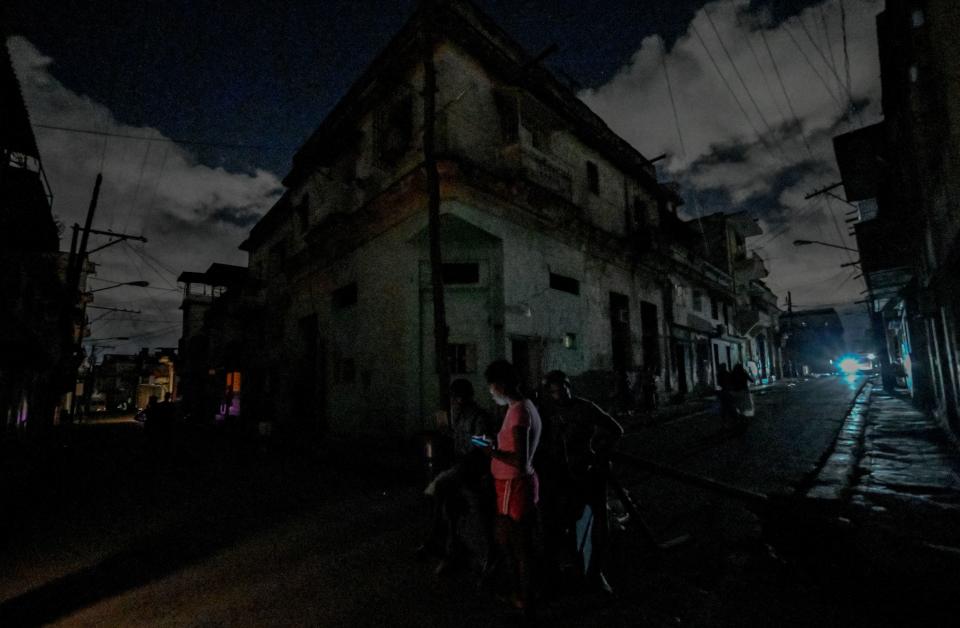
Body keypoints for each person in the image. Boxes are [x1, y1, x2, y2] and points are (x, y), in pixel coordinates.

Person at [537, 370, 624, 597]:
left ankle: (595, 573)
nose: (561, 393)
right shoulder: (546, 412)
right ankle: (571, 568)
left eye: (564, 387)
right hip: (560, 476)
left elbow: (615, 429)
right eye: (555, 390)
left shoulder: (584, 407)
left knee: (599, 525)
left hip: (587, 472)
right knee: (562, 524)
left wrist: (600, 453)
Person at [476, 359, 542, 617]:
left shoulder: (518, 412)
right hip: (516, 486)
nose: (491, 391)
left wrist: (491, 451)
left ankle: (524, 599)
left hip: (513, 486)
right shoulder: (524, 407)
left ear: (501, 385)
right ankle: (524, 594)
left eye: (492, 386)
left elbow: (520, 460)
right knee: (514, 542)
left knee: (517, 545)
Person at [416, 379, 497, 576]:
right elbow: (458, 439)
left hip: (473, 467)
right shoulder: (459, 416)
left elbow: (483, 443)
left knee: (440, 488)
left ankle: (438, 543)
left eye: (456, 397)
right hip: (461, 464)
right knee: (447, 507)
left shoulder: (479, 416)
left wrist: (471, 440)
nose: (453, 401)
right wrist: (447, 432)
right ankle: (449, 552)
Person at [729, 363, 755, 428]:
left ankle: (740, 419)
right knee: (745, 407)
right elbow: (752, 380)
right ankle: (744, 419)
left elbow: (730, 383)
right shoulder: (743, 373)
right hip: (744, 392)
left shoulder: (733, 374)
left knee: (739, 406)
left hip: (736, 392)